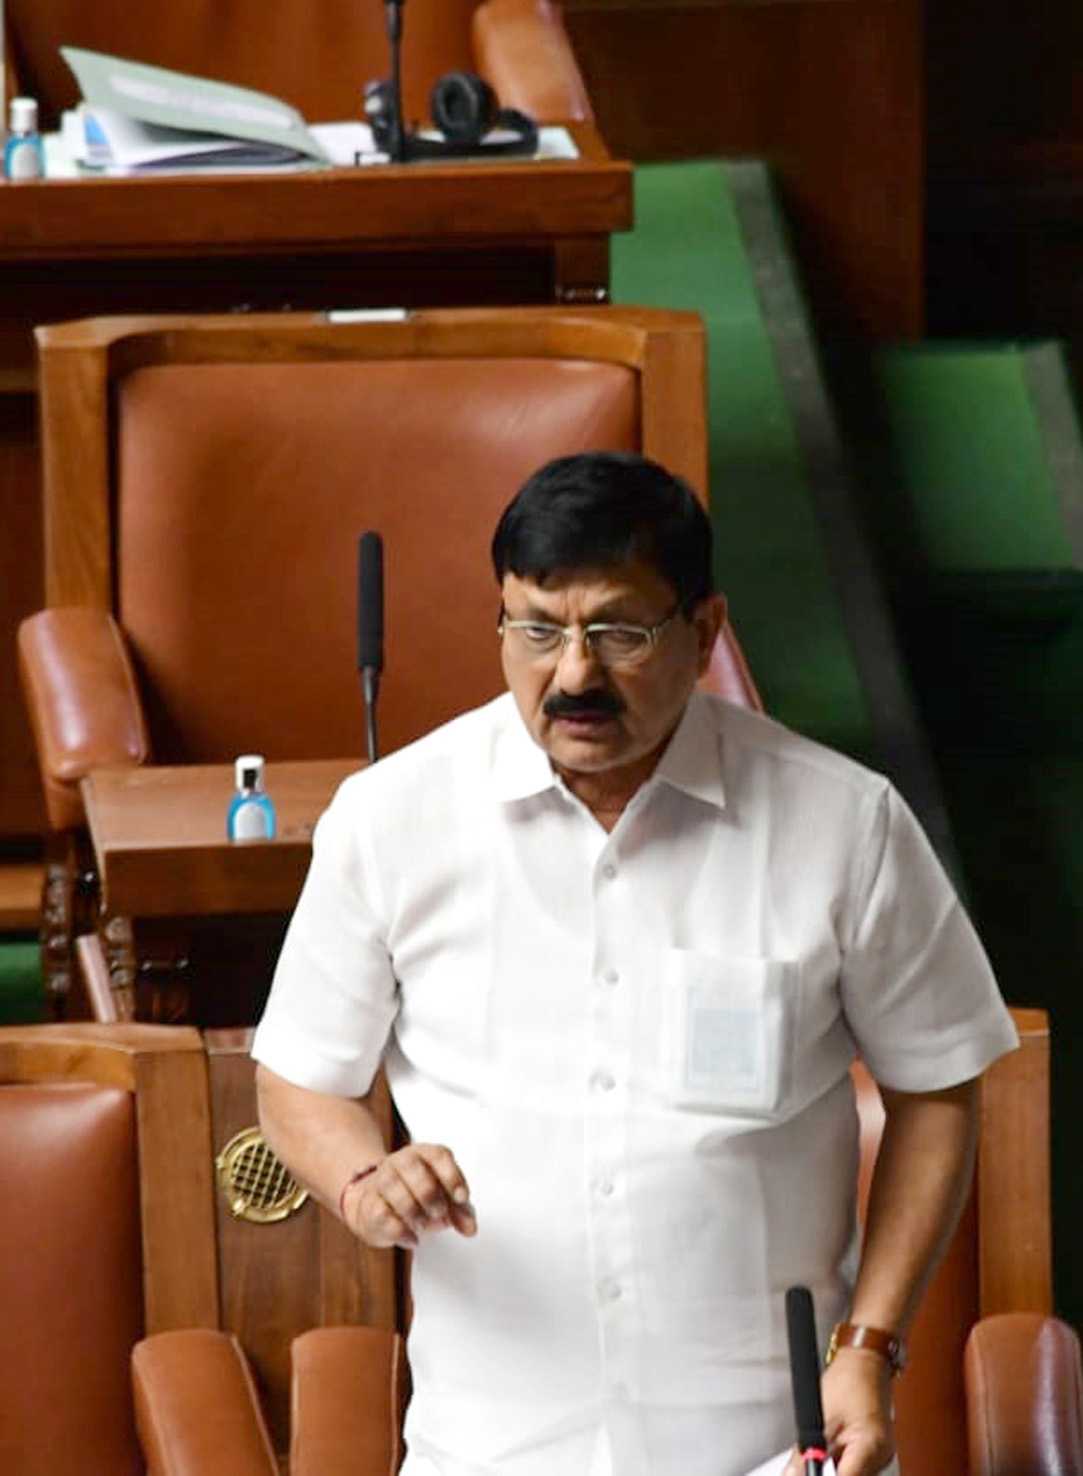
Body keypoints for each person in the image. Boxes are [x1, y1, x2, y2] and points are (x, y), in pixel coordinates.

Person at [252, 450, 1018, 1476]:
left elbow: (936, 1089)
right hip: (486, 1446)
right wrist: (363, 1179)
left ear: (703, 632)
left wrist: (870, 1348)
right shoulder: (392, 818)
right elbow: (298, 1077)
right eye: (537, 629)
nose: (574, 676)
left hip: (763, 1445)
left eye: (620, 632)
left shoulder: (845, 822)